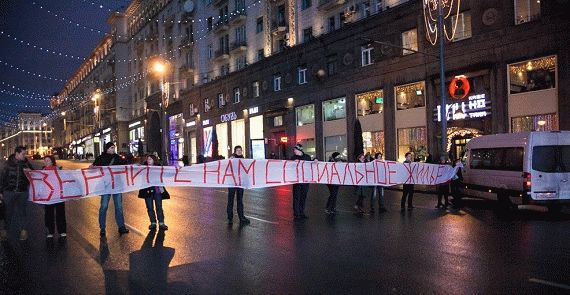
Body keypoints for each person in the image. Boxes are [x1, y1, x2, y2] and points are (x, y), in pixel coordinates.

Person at [92, 142, 129, 236]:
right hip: (106, 186)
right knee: (104, 206)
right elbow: (94, 168)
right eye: (112, 148)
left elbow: (127, 166)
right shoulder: (100, 158)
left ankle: (121, 227)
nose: (113, 149)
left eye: (114, 148)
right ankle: (102, 228)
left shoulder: (117, 158)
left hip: (117, 185)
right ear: (107, 148)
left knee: (119, 207)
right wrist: (91, 168)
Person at [0, 146, 33, 240]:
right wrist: (0, 191)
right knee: (7, 213)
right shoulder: (7, 164)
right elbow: (1, 178)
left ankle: (23, 231)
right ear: (17, 154)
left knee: (22, 212)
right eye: (23, 154)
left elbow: (34, 175)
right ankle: (4, 232)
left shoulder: (26, 163)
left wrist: (31, 173)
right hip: (9, 192)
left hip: (22, 192)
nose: (24, 155)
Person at [138, 155, 169, 231]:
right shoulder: (144, 168)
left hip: (157, 189)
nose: (148, 160)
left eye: (150, 159)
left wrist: (177, 170)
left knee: (159, 206)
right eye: (148, 159)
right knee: (149, 207)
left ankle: (161, 223)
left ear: (154, 160)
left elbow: (167, 173)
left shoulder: (158, 168)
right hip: (147, 190)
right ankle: (153, 222)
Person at [43, 155, 67, 239]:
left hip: (58, 195)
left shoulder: (58, 170)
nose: (46, 162)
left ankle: (62, 231)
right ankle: (50, 231)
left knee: (60, 213)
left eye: (48, 160)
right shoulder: (42, 171)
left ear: (52, 161)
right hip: (48, 195)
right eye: (45, 160)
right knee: (49, 214)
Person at [226, 146, 250, 225]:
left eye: (240, 150)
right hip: (232, 182)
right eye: (237, 150)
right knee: (231, 200)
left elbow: (245, 171)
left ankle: (241, 217)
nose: (239, 151)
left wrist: (246, 181)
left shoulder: (243, 159)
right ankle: (230, 217)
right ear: (235, 151)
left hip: (240, 182)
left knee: (240, 200)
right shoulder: (232, 159)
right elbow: (227, 169)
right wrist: (230, 160)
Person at [290, 144, 312, 220]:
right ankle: (296, 214)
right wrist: (293, 164)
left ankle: (302, 212)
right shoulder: (293, 158)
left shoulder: (307, 157)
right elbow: (289, 168)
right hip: (297, 181)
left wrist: (315, 160)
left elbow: (311, 165)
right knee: (296, 198)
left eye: (295, 150)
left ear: (299, 150)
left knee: (303, 197)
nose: (294, 151)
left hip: (305, 181)